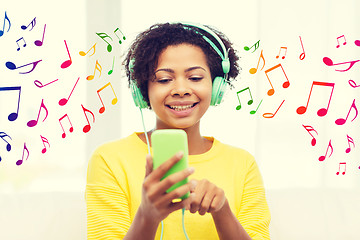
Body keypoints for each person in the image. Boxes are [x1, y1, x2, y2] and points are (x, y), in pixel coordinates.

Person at [86, 22, 271, 240]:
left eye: (195, 78)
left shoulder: (242, 163)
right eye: (164, 79)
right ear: (142, 90)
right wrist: (147, 216)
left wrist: (222, 212)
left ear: (216, 86)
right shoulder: (110, 159)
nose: (181, 90)